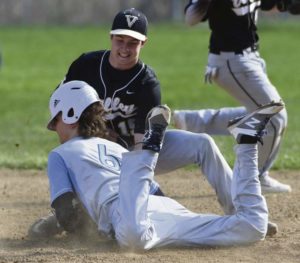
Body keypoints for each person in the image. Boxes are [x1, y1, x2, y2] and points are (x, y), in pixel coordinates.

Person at [28, 7, 277, 239]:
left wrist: (148, 191)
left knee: (203, 144)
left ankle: (237, 210)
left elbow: (142, 146)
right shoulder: (86, 65)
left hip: (134, 150)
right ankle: (65, 215)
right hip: (98, 152)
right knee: (78, 168)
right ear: (111, 37)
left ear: (143, 43)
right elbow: (62, 109)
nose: (125, 48)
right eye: (120, 40)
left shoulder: (147, 83)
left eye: (133, 43)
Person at [43, 80, 283, 249]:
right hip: (158, 206)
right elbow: (156, 192)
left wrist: (84, 236)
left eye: (55, 121)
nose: (54, 128)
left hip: (125, 211)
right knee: (251, 227)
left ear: (69, 114)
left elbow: (66, 210)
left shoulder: (59, 154)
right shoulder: (117, 148)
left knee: (132, 239)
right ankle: (248, 143)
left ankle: (149, 147)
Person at [173, 0, 294, 194]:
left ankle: (193, 121)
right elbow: (190, 18)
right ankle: (255, 177)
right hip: (231, 61)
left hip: (251, 58)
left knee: (259, 112)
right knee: (274, 115)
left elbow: (271, 4)